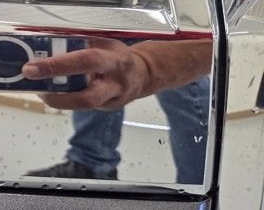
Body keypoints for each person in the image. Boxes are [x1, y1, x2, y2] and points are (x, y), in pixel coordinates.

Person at [21, 38, 212, 184]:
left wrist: (148, 66)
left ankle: (196, 184)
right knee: (99, 65)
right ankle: (91, 165)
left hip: (173, 7)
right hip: (107, 6)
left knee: (185, 76)